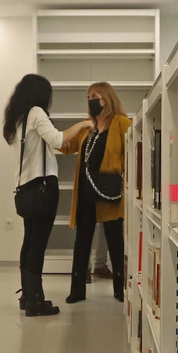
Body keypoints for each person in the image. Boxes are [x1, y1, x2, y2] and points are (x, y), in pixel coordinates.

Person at [3, 73, 92, 317]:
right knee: (38, 244)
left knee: (30, 240)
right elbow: (57, 139)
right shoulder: (36, 113)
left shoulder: (17, 118)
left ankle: (27, 296)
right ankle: (35, 300)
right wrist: (84, 125)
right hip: (43, 188)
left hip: (25, 189)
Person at [61, 82, 131, 304]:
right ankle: (77, 289)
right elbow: (64, 145)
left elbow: (133, 151)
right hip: (85, 192)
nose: (91, 100)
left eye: (96, 96)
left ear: (107, 99)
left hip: (108, 191)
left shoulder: (121, 123)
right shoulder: (88, 127)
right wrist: (82, 125)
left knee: (115, 241)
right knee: (82, 240)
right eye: (89, 96)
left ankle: (120, 290)